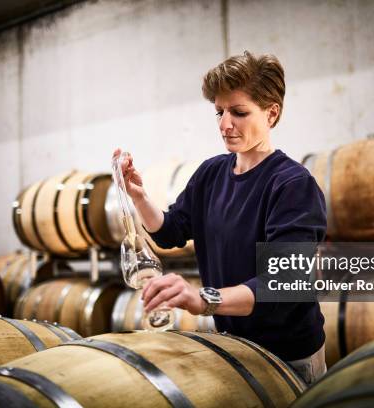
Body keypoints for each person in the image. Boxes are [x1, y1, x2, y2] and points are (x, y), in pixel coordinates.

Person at [113, 51, 327, 385]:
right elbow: (170, 232)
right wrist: (138, 195)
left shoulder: (292, 185)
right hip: (235, 347)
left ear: (272, 114)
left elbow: (281, 285)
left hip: (289, 356)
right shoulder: (212, 172)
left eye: (239, 112)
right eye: (219, 112)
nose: (225, 124)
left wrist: (203, 299)